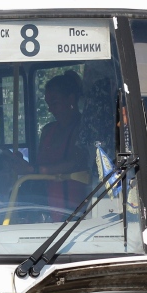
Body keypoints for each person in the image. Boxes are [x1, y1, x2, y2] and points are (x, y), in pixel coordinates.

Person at [32, 71, 90, 211]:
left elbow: (77, 162)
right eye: (48, 104)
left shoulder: (84, 128)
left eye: (55, 103)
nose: (50, 109)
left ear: (71, 99)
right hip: (47, 204)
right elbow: (39, 166)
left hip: (77, 206)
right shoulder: (47, 130)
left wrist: (35, 170)